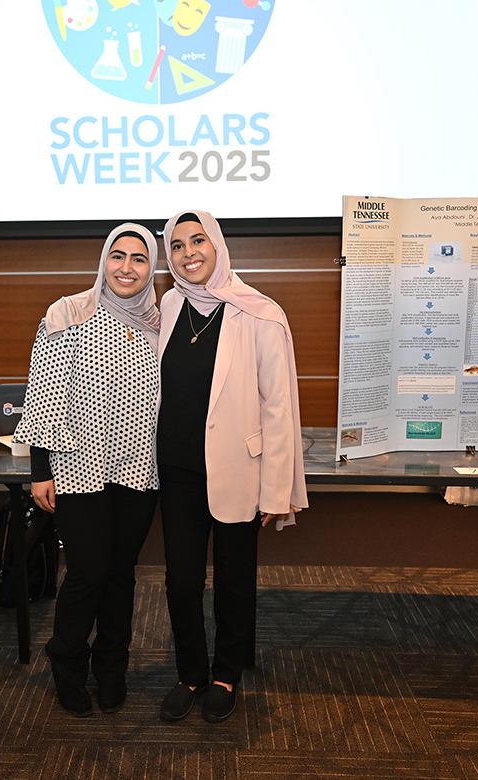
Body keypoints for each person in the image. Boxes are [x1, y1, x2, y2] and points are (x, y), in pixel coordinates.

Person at [156, 210, 307, 723]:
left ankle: (225, 674)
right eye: (176, 245)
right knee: (180, 580)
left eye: (198, 240)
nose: (188, 252)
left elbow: (279, 410)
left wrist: (275, 491)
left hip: (239, 468)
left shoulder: (260, 313)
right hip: (176, 470)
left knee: (235, 580)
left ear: (217, 245)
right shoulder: (170, 304)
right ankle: (191, 672)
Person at [13, 223, 162, 717]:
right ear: (103, 260)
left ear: (152, 266)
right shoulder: (69, 311)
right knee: (88, 572)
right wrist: (40, 470)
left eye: (139, 259)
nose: (126, 267)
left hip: (141, 469)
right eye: (117, 256)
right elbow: (43, 395)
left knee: (121, 574)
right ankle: (68, 662)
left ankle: (112, 668)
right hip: (78, 467)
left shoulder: (162, 321)